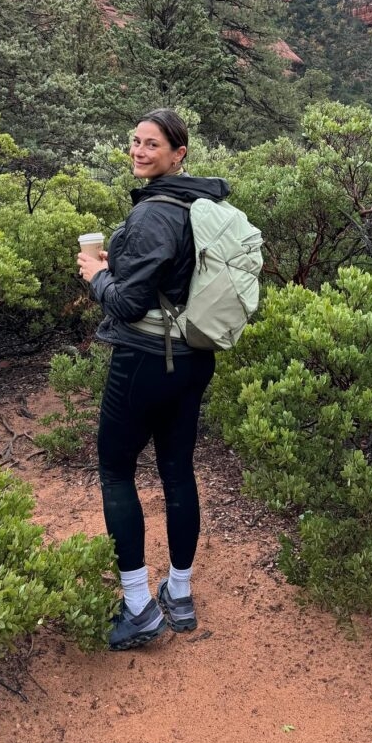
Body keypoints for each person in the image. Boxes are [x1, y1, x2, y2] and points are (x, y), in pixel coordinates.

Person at [77, 109, 229, 651]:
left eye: (152, 145)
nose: (139, 152)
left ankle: (139, 606)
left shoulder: (150, 217)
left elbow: (127, 303)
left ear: (178, 154)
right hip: (194, 355)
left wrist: (97, 276)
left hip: (144, 358)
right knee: (177, 470)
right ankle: (180, 595)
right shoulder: (202, 204)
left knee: (116, 469)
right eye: (135, 143)